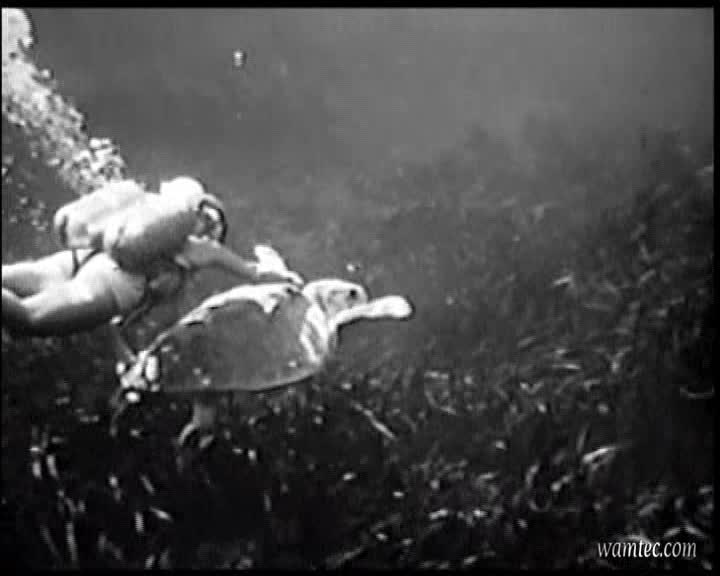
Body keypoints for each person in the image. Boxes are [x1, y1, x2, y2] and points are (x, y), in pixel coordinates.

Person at [2, 176, 303, 337]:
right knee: (28, 319)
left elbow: (113, 321)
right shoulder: (200, 250)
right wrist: (284, 276)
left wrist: (123, 356)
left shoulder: (140, 210)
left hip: (82, 258)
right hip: (111, 284)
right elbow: (253, 272)